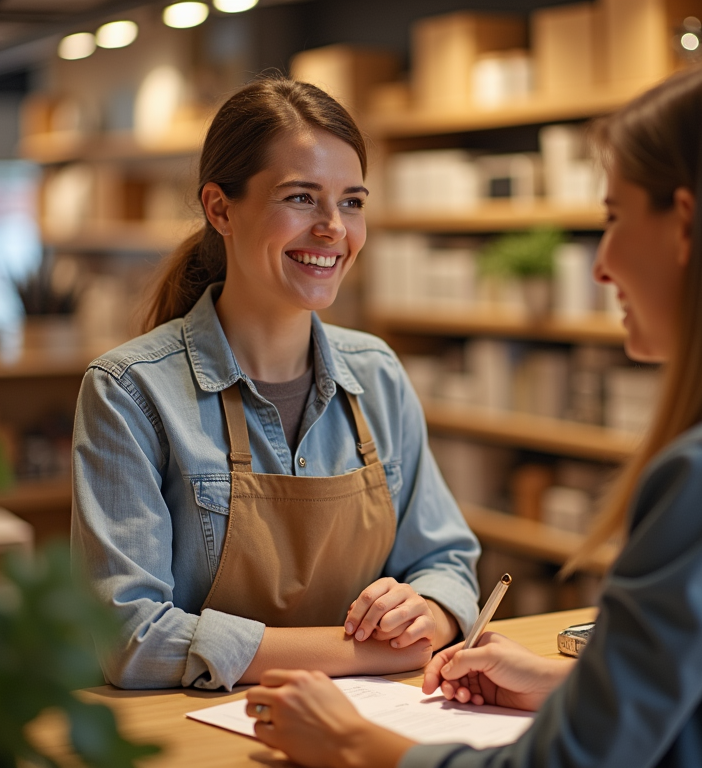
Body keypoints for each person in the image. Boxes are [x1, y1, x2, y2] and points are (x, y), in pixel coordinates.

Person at [241, 59, 702, 767]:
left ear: (685, 225)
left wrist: (351, 744)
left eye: (614, 218)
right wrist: (581, 686)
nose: (600, 264)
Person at [71, 73, 480, 691]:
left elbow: (446, 559)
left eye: (352, 201)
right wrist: (366, 652)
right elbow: (128, 638)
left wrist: (432, 611)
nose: (334, 229)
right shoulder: (130, 393)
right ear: (220, 208)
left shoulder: (377, 374)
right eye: (300, 197)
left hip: (361, 731)